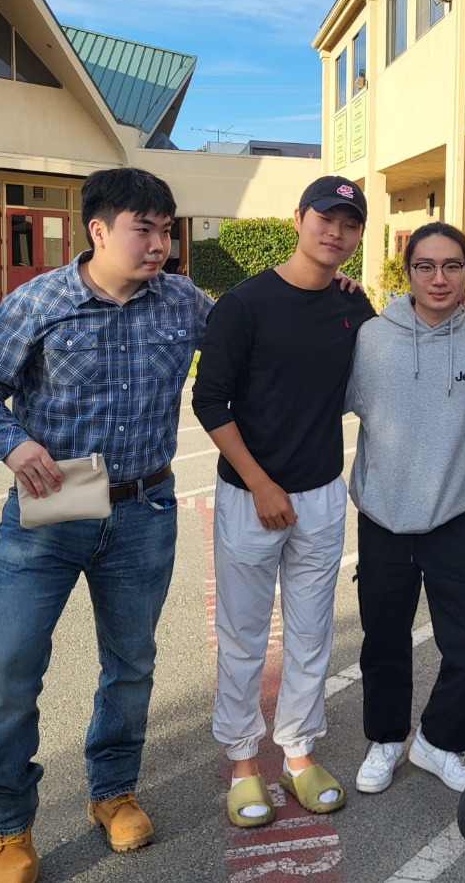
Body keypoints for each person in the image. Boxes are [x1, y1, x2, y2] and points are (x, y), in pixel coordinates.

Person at [0, 168, 213, 883]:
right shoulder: (39, 301)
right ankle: (10, 827)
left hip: (144, 507)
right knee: (7, 671)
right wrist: (11, 443)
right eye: (144, 229)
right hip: (54, 504)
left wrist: (330, 290)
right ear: (98, 230)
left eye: (167, 231)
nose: (160, 245)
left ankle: (113, 792)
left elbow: (257, 332)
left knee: (130, 664)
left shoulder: (183, 301)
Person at [191, 176, 375, 826]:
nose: (336, 232)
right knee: (243, 636)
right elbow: (209, 400)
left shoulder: (354, 305)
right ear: (298, 219)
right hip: (250, 495)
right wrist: (261, 483)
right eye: (326, 218)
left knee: (310, 634)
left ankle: (298, 752)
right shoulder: (244, 304)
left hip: (322, 493)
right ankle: (243, 762)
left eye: (349, 224)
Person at [346, 222, 465, 795]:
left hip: (456, 516)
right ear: (408, 273)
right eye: (425, 266)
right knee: (383, 641)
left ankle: (440, 741)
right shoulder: (372, 337)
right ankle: (386, 738)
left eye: (452, 266)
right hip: (382, 518)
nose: (439, 278)